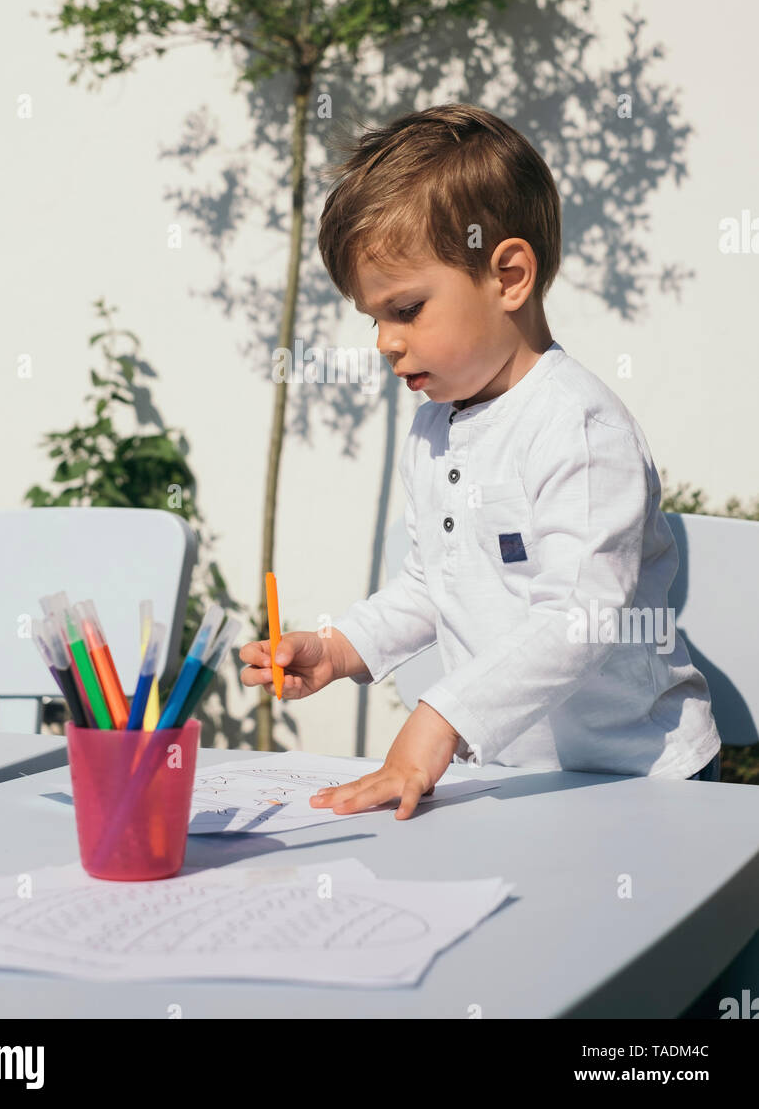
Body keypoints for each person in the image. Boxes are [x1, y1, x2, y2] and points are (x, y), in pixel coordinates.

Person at [240, 104, 722, 818]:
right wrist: (341, 648)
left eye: (406, 309)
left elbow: (579, 615)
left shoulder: (578, 426)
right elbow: (434, 584)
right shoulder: (436, 426)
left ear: (509, 277)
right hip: (515, 781)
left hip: (638, 782)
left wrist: (440, 720)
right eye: (374, 319)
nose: (384, 343)